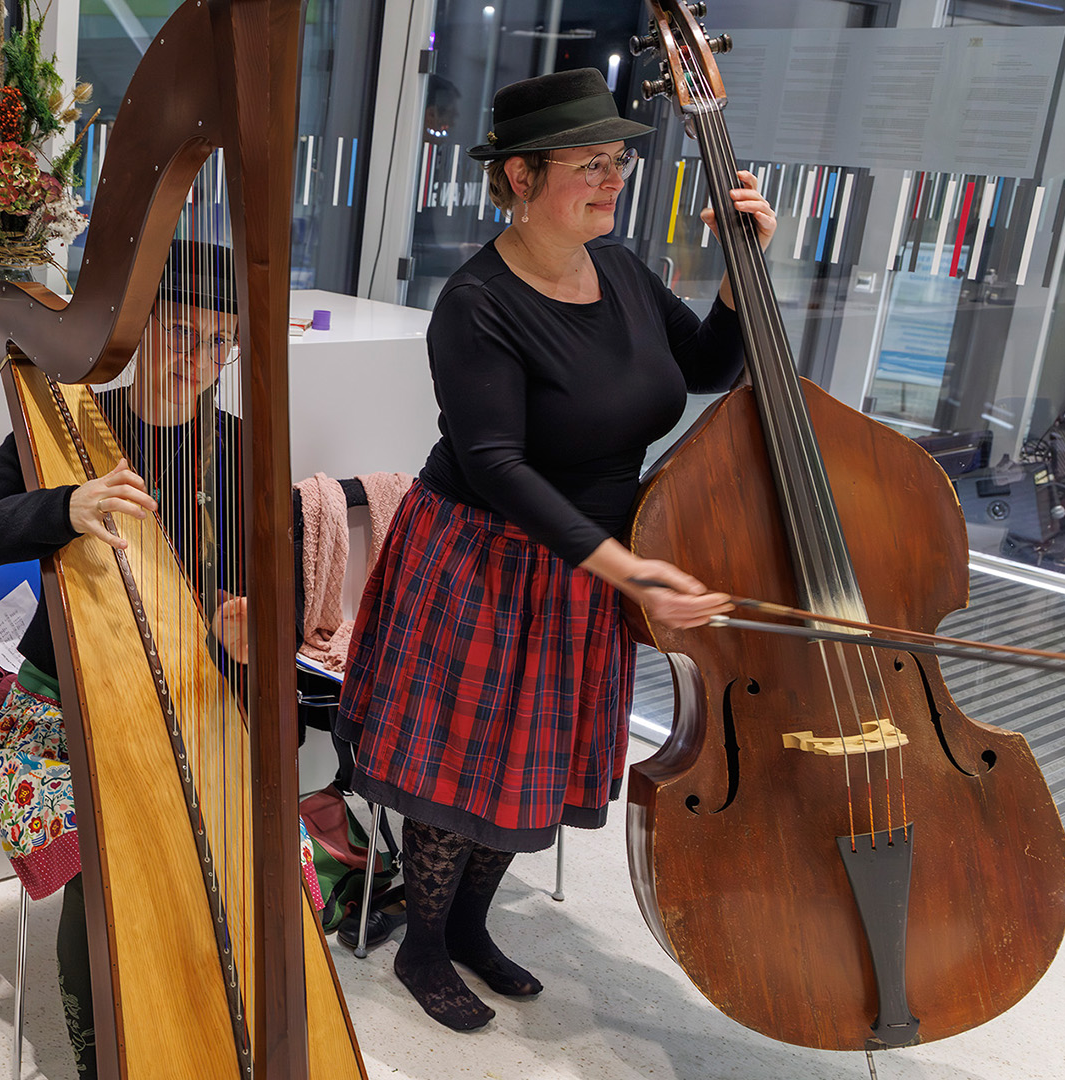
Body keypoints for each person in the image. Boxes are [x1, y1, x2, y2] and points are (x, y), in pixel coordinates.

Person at [333, 67, 777, 1033]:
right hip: (487, 555)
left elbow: (703, 368)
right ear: (520, 178)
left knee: (533, 761)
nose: (614, 180)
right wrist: (622, 567)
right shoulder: (477, 302)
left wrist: (744, 277)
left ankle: (469, 927)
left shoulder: (617, 267)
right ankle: (421, 941)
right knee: (462, 769)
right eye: (590, 163)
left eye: (618, 161)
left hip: (587, 559)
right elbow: (494, 463)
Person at [0, 240, 249, 1078]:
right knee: (106, 852)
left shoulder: (241, 448)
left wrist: (243, 636)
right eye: (181, 331)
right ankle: (103, 1047)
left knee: (248, 848)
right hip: (56, 704)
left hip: (195, 696)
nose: (199, 359)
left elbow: (249, 591)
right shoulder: (65, 425)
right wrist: (65, 504)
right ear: (137, 333)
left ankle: (209, 1010)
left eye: (221, 342)